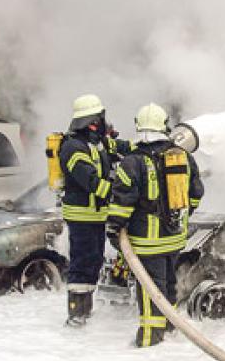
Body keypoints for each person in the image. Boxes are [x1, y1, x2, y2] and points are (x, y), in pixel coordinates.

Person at [107, 103, 204, 347]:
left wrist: (114, 230)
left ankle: (150, 340)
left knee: (151, 291)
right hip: (175, 238)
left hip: (147, 242)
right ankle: (170, 329)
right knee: (168, 285)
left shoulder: (132, 163)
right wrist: (180, 216)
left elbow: (122, 203)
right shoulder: (183, 157)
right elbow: (196, 194)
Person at [59, 94, 133, 326]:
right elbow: (90, 180)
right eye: (99, 119)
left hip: (96, 216)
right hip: (81, 217)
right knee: (82, 265)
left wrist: (147, 146)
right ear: (90, 121)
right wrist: (117, 192)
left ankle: (85, 311)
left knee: (93, 262)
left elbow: (122, 147)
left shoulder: (97, 143)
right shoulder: (72, 147)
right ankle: (76, 315)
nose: (102, 123)